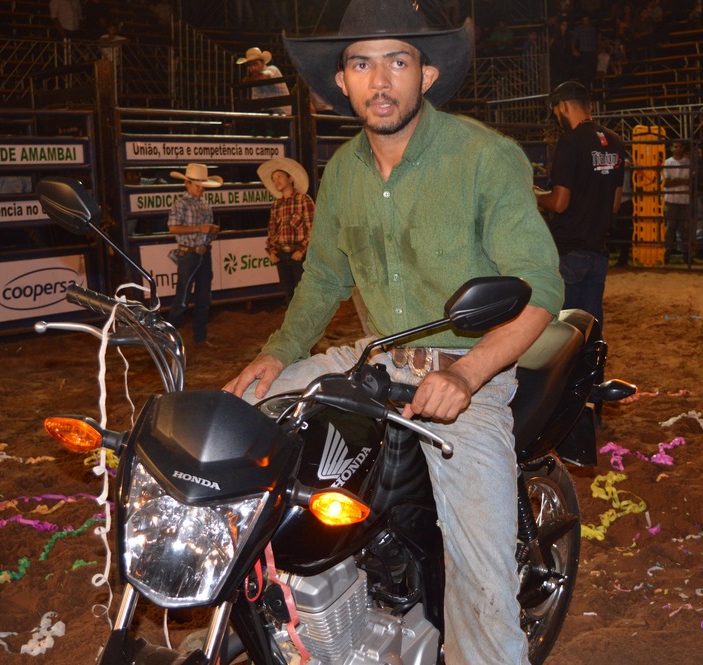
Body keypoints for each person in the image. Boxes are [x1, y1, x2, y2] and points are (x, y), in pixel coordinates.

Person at [224, 1, 564, 663]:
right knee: (246, 424)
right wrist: (275, 354)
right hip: (378, 354)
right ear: (342, 82)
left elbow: (542, 288)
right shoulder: (344, 172)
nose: (380, 80)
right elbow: (322, 279)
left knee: (480, 573)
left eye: (397, 61)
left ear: (427, 75)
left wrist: (467, 375)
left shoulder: (484, 157)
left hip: (472, 367)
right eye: (361, 62)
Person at [535, 80, 625, 326]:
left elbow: (560, 203)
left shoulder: (570, 141)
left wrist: (535, 195)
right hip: (598, 251)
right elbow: (615, 204)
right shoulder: (616, 141)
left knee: (564, 331)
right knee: (591, 328)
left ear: (563, 106)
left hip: (570, 250)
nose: (556, 118)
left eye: (556, 113)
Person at [167, 163, 221, 347]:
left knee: (203, 297)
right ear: (187, 184)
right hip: (189, 255)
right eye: (197, 185)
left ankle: (200, 337)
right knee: (182, 299)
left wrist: (211, 232)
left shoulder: (205, 204)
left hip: (203, 253)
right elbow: (173, 228)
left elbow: (204, 229)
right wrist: (201, 229)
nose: (200, 189)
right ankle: (168, 339)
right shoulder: (180, 204)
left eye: (202, 186)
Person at [258, 157, 314, 304]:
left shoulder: (303, 200)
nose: (276, 181)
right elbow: (272, 231)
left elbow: (314, 228)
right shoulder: (277, 204)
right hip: (282, 255)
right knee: (289, 295)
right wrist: (271, 251)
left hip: (299, 256)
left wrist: (302, 250)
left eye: (280, 177)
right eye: (274, 179)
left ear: (290, 178)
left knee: (303, 296)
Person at [236, 47, 291, 115]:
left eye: (255, 64)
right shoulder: (254, 80)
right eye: (250, 65)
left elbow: (264, 77)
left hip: (282, 114)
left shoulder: (273, 69)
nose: (253, 68)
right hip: (267, 114)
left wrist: (248, 80)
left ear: (263, 63)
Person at [662, 140, 692, 263]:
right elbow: (665, 183)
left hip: (684, 200)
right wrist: (682, 180)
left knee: (685, 229)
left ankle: (686, 255)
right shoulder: (667, 162)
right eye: (675, 146)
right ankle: (667, 253)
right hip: (671, 199)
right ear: (671, 148)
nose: (678, 149)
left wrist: (675, 180)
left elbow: (691, 181)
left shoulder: (688, 162)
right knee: (670, 228)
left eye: (680, 147)